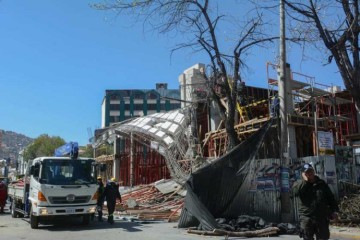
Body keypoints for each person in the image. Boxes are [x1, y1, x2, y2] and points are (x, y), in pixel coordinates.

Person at [292, 163, 339, 240]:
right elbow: (295, 192)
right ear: (303, 174)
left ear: (314, 171)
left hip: (321, 217)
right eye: (307, 172)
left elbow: (330, 198)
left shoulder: (321, 183)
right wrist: (305, 181)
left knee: (323, 237)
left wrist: (334, 211)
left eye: (311, 171)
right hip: (307, 217)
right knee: (307, 238)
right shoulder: (299, 184)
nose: (310, 173)